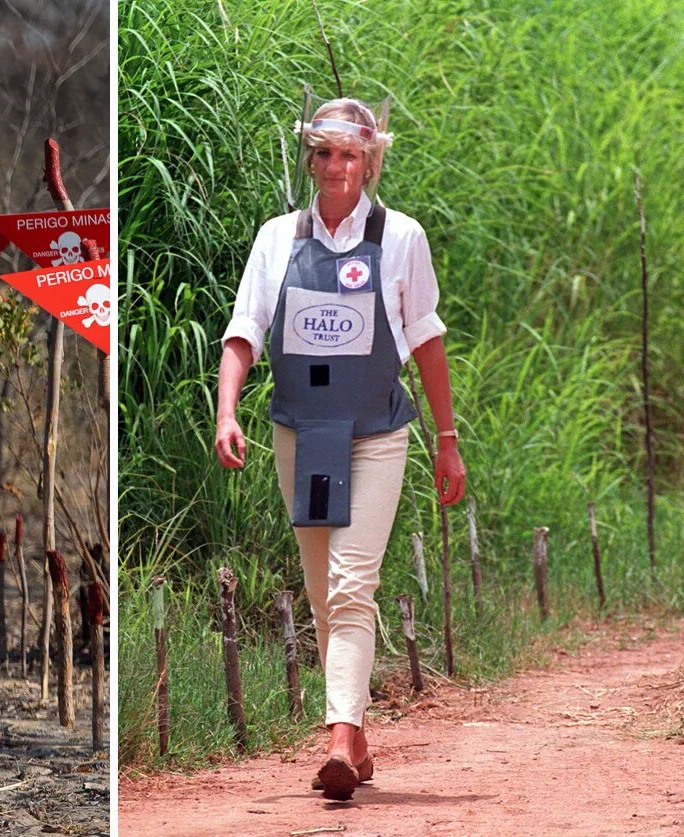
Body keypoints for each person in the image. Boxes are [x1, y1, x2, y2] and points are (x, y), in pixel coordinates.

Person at [213, 98, 466, 801]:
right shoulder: (276, 238)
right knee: (326, 590)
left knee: (354, 584)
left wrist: (447, 441)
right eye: (323, 154)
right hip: (301, 433)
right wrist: (226, 410)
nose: (335, 168)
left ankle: (333, 738)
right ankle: (355, 733)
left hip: (377, 433)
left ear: (369, 161)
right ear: (310, 157)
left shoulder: (402, 237)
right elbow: (244, 330)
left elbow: (427, 341)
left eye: (348, 155)